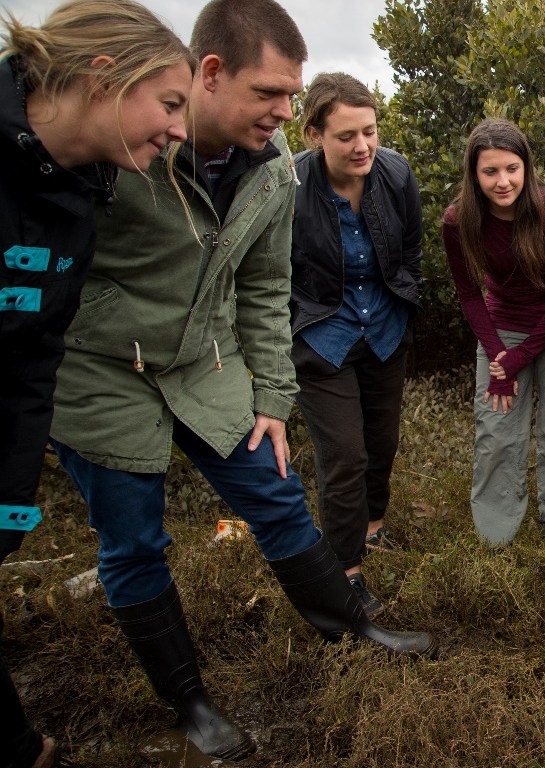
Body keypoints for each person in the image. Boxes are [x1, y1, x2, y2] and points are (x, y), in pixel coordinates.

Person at [46, 1, 436, 761]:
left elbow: (265, 286)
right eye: (270, 94)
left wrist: (270, 398)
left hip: (206, 363)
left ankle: (351, 624)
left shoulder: (270, 170)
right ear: (212, 73)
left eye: (292, 97)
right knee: (132, 540)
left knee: (276, 494)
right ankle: (189, 702)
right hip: (101, 369)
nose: (286, 112)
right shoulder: (123, 135)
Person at [1, 2, 192, 765]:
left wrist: (12, 501)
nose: (179, 128)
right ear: (106, 76)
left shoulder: (81, 199)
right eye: (170, 104)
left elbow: (33, 356)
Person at [290, 72, 422, 617]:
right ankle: (345, 575)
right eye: (346, 135)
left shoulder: (395, 174)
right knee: (344, 457)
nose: (363, 146)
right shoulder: (291, 186)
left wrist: (405, 303)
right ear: (314, 133)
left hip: (385, 329)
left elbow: (410, 248)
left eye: (369, 131)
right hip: (324, 335)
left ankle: (372, 526)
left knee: (381, 443)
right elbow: (272, 271)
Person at [443, 119, 545, 546]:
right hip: (501, 325)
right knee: (496, 429)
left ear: (526, 166)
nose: (502, 181)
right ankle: (496, 529)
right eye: (490, 172)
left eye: (511, 168)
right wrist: (498, 356)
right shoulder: (459, 220)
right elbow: (469, 293)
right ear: (474, 174)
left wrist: (523, 355)